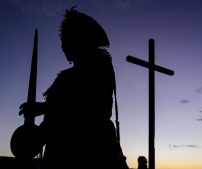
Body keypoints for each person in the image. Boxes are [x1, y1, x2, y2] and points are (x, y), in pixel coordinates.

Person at [19, 7, 127, 169]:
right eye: (63, 39)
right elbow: (53, 122)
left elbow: (85, 107)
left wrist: (44, 107)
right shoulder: (67, 77)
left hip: (89, 155)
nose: (63, 45)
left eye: (67, 39)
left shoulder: (99, 66)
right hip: (60, 155)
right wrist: (34, 137)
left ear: (80, 40)